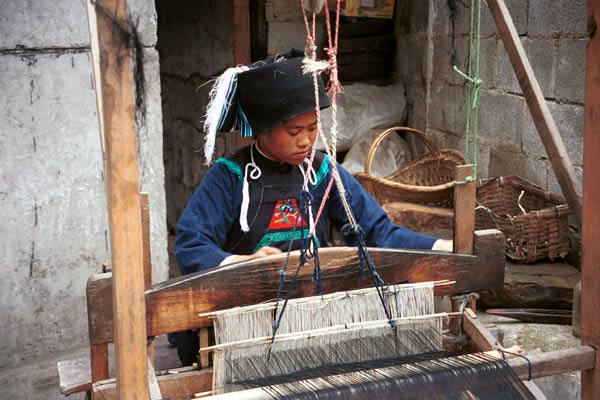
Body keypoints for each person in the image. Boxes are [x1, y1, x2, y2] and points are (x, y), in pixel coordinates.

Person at [171, 49, 452, 365]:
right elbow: (190, 244)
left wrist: (441, 247)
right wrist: (243, 262)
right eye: (294, 131)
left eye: (312, 128)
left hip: (312, 316)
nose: (306, 141)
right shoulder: (230, 176)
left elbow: (375, 232)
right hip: (243, 325)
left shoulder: (322, 172)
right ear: (264, 128)